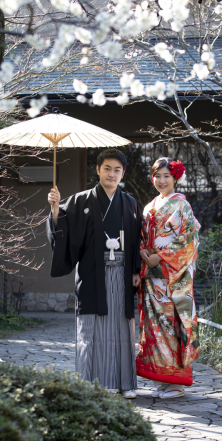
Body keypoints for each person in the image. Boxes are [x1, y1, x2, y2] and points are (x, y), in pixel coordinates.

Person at [47, 148, 143, 399]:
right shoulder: (80, 200)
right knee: (93, 327)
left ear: (123, 173)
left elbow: (135, 241)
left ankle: (124, 383)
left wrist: (135, 269)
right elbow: (64, 231)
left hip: (122, 273)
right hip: (93, 272)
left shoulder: (130, 203)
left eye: (117, 170)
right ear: (97, 170)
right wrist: (56, 209)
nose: (112, 174)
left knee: (122, 327)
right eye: (107, 168)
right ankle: (93, 384)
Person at [136, 157, 200, 399]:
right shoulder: (149, 206)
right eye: (157, 176)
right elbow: (143, 236)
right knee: (155, 327)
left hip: (172, 278)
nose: (161, 180)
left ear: (175, 178)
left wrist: (160, 257)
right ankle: (165, 376)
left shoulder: (182, 206)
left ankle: (177, 383)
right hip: (152, 279)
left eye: (166, 176)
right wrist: (143, 250)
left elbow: (189, 241)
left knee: (172, 325)